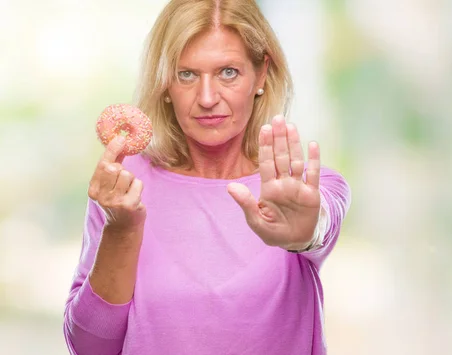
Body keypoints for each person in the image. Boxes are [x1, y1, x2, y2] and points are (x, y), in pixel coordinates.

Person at [63, 0, 351, 354]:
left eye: (228, 72)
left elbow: (320, 222)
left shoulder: (302, 189)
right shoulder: (123, 188)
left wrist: (307, 232)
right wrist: (120, 231)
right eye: (187, 74)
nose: (207, 97)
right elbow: (90, 347)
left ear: (261, 74)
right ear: (165, 82)